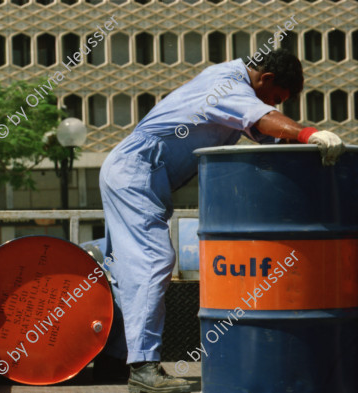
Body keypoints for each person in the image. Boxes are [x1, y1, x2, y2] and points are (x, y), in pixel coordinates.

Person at [98, 49, 344, 393]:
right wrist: (308, 134)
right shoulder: (227, 86)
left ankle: (113, 357)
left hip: (135, 170)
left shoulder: (233, 86)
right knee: (152, 261)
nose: (274, 104)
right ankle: (142, 368)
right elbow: (264, 120)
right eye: (276, 98)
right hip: (135, 171)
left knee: (129, 266)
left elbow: (267, 134)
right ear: (266, 79)